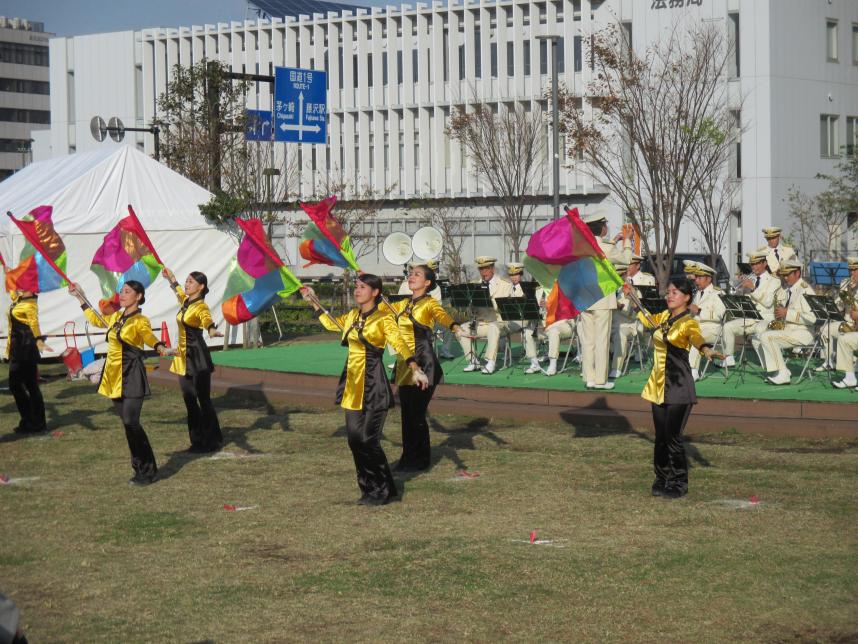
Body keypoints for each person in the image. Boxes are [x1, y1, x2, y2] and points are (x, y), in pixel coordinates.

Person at [301, 274, 429, 505]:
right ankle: (369, 487)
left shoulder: (383, 318)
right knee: (354, 440)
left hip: (373, 383)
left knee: (368, 439)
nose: (357, 291)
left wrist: (414, 367)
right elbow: (333, 323)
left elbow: (399, 342)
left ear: (375, 292)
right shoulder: (352, 316)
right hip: (351, 382)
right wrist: (314, 300)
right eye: (356, 287)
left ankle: (383, 489)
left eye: (362, 287)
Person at [69, 281, 171, 485]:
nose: (122, 295)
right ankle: (139, 468)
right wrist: (80, 297)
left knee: (131, 422)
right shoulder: (116, 317)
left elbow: (149, 337)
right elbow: (96, 319)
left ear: (139, 296)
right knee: (127, 425)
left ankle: (149, 469)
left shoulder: (140, 320)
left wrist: (161, 347)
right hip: (114, 376)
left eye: (127, 292)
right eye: (121, 291)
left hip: (131, 374)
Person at [628, 279, 721, 498]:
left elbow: (696, 338)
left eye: (675, 292)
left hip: (678, 386)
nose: (670, 296)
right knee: (660, 437)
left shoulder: (688, 322)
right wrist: (632, 296)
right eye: (669, 292)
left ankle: (679, 482)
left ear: (687, 297)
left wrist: (705, 349)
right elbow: (646, 316)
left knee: (673, 437)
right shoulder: (663, 317)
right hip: (657, 386)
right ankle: (662, 478)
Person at [385, 264, 460, 471]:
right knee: (406, 414)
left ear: (427, 282)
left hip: (424, 364)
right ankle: (408, 458)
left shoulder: (429, 303)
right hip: (405, 364)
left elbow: (442, 315)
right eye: (411, 273)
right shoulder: (403, 304)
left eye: (417, 274)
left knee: (416, 414)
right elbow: (379, 309)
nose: (412, 276)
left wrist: (454, 326)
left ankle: (421, 460)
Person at [162, 268, 224, 453]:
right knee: (189, 400)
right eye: (187, 280)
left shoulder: (201, 306)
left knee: (203, 400)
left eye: (190, 282)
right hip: (182, 357)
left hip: (197, 357)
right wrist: (172, 279)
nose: (187, 284)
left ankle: (212, 440)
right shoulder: (186, 301)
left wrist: (212, 330)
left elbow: (206, 320)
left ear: (201, 286)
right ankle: (197, 441)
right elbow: (179, 291)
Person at [576, 213, 632, 389]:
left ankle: (589, 378)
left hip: (585, 298)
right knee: (601, 340)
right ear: (602, 228)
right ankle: (601, 380)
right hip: (602, 300)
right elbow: (626, 259)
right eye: (605, 225)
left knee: (588, 340)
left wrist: (614, 242)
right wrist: (627, 241)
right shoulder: (605, 246)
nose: (606, 227)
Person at [757, 259, 817, 385]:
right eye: (784, 275)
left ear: (797, 273)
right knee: (757, 335)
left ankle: (783, 372)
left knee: (767, 337)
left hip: (803, 333)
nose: (785, 278)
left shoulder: (805, 291)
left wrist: (787, 313)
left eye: (788, 274)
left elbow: (813, 319)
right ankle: (778, 369)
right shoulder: (788, 290)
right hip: (790, 330)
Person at [718, 251, 779, 367]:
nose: (754, 267)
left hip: (765, 319)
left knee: (759, 333)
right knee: (728, 326)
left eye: (757, 264)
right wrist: (740, 288)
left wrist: (753, 288)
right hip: (750, 318)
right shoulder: (751, 279)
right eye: (752, 264)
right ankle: (729, 357)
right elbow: (743, 301)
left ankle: (770, 364)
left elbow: (768, 302)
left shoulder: (774, 281)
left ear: (765, 263)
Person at [5, 289, 51, 434]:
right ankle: (29, 420)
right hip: (17, 348)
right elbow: (12, 288)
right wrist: (7, 271)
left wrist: (38, 339)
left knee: (26, 385)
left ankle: (36, 422)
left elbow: (34, 323)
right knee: (20, 385)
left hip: (26, 349)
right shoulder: (19, 299)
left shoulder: (30, 304)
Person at [457, 256, 513, 374]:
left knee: (494, 327)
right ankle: (473, 361)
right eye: (481, 269)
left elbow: (506, 308)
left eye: (486, 269)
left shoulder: (505, 284)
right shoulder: (474, 285)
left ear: (492, 269)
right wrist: (471, 306)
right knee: (459, 329)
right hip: (480, 323)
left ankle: (491, 362)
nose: (483, 272)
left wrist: (488, 301)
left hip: (499, 323)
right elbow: (470, 310)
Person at [817, 257, 858, 372]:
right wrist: (832, 304)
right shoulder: (845, 282)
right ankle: (829, 361)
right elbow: (839, 307)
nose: (852, 273)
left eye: (855, 270)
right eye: (850, 270)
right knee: (825, 329)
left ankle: (852, 363)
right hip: (848, 322)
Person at [687, 263, 726, 380]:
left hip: (713, 330)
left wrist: (699, 311)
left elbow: (721, 315)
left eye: (700, 278)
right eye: (696, 278)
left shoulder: (718, 293)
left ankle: (693, 371)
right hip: (697, 327)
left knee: (695, 339)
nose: (696, 281)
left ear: (708, 279)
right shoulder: (698, 293)